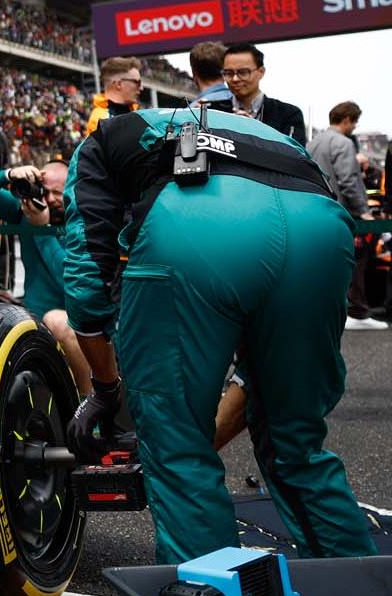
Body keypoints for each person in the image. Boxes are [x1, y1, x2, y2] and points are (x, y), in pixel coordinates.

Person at [61, 105, 375, 564]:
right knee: (299, 445)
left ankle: (212, 586)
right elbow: (260, 378)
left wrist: (106, 392)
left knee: (177, 449)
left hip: (199, 223)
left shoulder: (102, 140)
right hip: (322, 230)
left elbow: (87, 284)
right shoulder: (265, 131)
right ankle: (354, 580)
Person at [0, 160, 91, 394]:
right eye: (44, 190)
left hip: (76, 322)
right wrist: (7, 175)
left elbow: (69, 281)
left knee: (57, 322)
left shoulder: (82, 220)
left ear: (71, 189)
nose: (49, 200)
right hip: (33, 320)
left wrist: (41, 229)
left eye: (57, 193)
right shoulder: (26, 212)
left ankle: (91, 404)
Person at [306, 101, 382, 331]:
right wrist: (364, 212)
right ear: (347, 119)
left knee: (320, 262)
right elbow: (348, 181)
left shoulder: (312, 143)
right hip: (339, 211)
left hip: (313, 209)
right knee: (356, 259)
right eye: (355, 122)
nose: (354, 127)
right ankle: (356, 310)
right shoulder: (343, 143)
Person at [221, 41, 307, 145]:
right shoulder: (212, 112)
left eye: (243, 72)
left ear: (261, 72)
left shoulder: (288, 114)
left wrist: (254, 132)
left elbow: (294, 156)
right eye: (228, 73)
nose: (235, 79)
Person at [84, 56, 141, 135]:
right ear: (118, 84)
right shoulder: (100, 121)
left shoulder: (139, 115)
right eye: (137, 82)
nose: (141, 88)